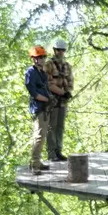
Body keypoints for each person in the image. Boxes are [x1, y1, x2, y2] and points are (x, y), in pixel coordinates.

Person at [44, 38, 74, 162]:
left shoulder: (67, 65)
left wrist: (68, 92)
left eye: (62, 50)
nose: (61, 52)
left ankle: (58, 151)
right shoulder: (48, 64)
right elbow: (48, 82)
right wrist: (61, 92)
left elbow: (71, 80)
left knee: (60, 126)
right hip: (52, 100)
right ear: (54, 50)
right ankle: (51, 153)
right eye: (58, 50)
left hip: (63, 101)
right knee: (52, 126)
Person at [25, 45, 51, 174]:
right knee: (39, 136)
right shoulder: (30, 72)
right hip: (38, 107)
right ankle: (34, 164)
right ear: (34, 59)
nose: (42, 59)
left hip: (45, 107)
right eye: (40, 57)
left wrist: (50, 98)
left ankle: (37, 161)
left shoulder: (42, 73)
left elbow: (45, 89)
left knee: (43, 135)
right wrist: (46, 99)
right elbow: (33, 92)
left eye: (43, 57)